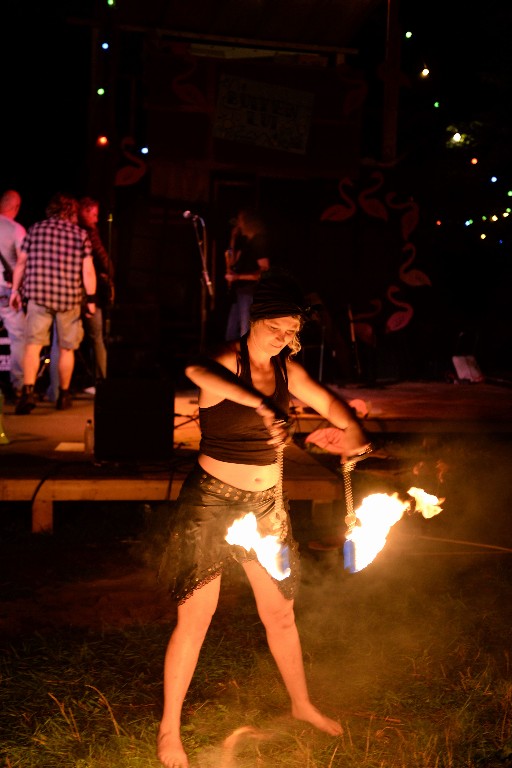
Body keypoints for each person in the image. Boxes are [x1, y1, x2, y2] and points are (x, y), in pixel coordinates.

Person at [156, 269, 372, 768]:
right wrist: (259, 405)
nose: (286, 341)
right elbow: (195, 372)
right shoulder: (221, 363)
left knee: (279, 613)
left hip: (267, 505)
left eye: (294, 333)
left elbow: (334, 406)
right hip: (211, 505)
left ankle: (301, 705)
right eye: (278, 330)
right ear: (255, 320)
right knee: (196, 616)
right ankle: (170, 730)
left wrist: (354, 435)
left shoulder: (287, 371)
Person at [9, 192, 96, 414]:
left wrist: (15, 291)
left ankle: (27, 392)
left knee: (33, 345)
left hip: (38, 296)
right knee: (67, 348)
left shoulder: (35, 230)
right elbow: (88, 270)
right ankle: (63, 395)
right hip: (68, 298)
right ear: (71, 212)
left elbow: (21, 263)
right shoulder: (79, 235)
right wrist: (92, 299)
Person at [224, 208, 270, 341]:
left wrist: (237, 277)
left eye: (240, 220)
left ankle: (247, 360)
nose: (238, 224)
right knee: (231, 334)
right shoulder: (246, 243)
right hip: (239, 292)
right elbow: (231, 260)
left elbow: (265, 271)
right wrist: (232, 239)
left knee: (246, 332)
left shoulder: (258, 242)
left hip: (250, 292)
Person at [0, 190, 27, 401]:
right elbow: (23, 261)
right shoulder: (16, 230)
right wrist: (17, 289)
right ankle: (18, 385)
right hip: (6, 291)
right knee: (19, 337)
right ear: (16, 207)